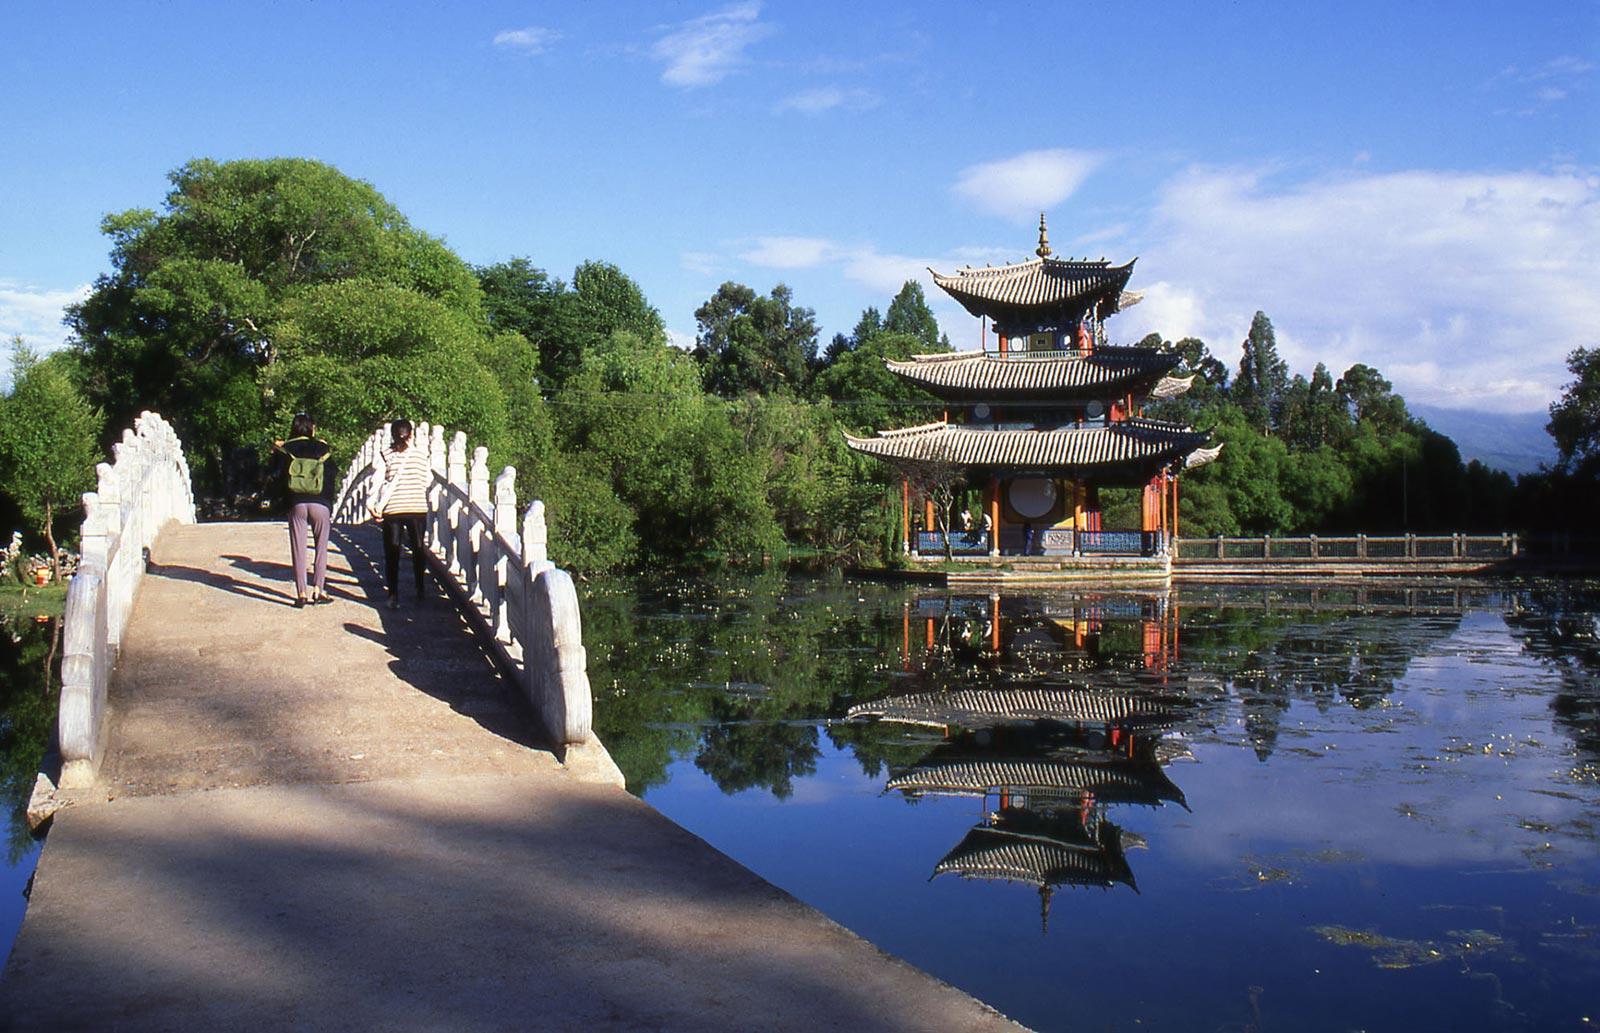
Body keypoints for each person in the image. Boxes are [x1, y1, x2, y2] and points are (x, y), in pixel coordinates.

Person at [270, 413, 335, 608]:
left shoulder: (285, 449)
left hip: (296, 503)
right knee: (321, 547)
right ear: (312, 429)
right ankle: (318, 589)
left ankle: (301, 594)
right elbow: (332, 475)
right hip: (320, 503)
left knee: (299, 549)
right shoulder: (323, 449)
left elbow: (273, 475)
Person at [375, 418, 431, 610]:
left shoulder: (385, 454)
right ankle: (420, 588)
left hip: (393, 509)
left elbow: (377, 480)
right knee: (417, 548)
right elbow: (428, 480)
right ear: (412, 435)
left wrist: (373, 503)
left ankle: (393, 594)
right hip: (416, 507)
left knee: (393, 550)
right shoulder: (422, 454)